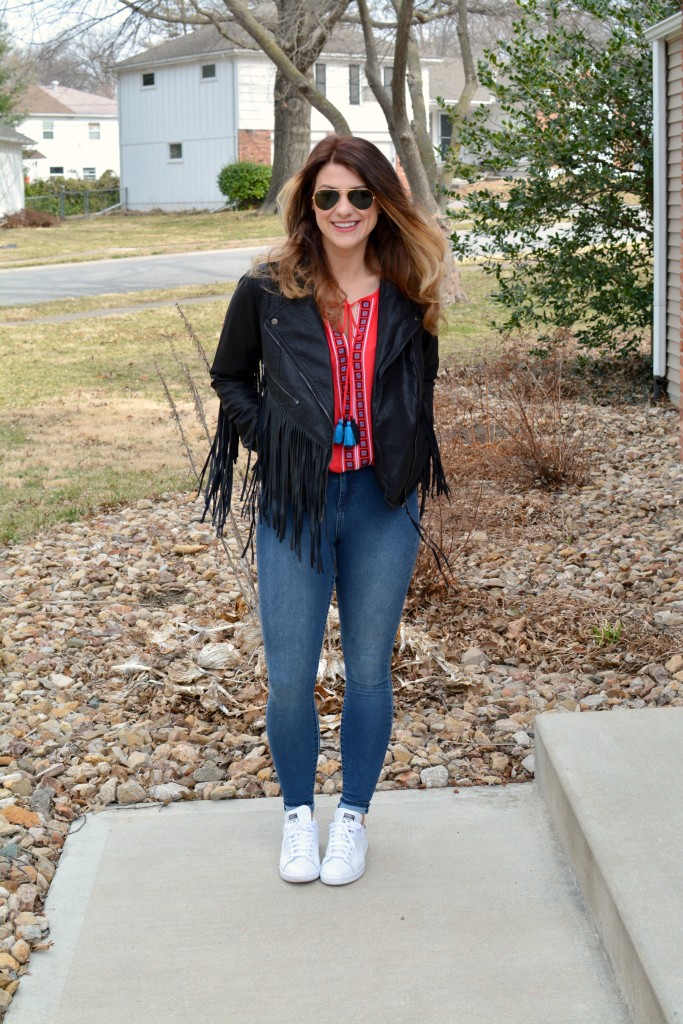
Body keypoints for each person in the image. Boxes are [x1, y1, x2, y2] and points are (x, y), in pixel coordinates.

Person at [202, 134, 448, 886]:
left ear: (382, 203)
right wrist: (274, 444)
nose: (344, 209)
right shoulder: (268, 288)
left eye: (360, 195)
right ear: (307, 204)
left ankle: (352, 819)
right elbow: (229, 377)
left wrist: (405, 468)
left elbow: (418, 393)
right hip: (296, 504)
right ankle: (297, 818)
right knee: (288, 674)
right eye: (327, 196)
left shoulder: (410, 288)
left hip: (380, 501)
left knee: (370, 670)